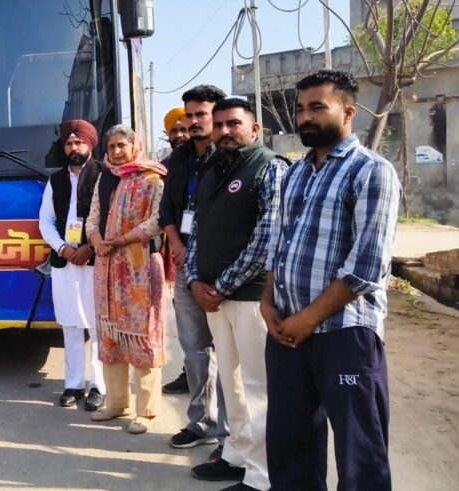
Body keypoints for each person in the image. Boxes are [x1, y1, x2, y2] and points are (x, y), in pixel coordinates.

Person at [263, 70, 399, 490]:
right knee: (290, 448)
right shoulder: (296, 174)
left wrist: (308, 318)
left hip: (344, 334)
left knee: (360, 456)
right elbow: (278, 242)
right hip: (287, 333)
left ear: (348, 112)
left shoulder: (371, 171)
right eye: (301, 109)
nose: (305, 117)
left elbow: (366, 266)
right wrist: (267, 303)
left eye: (317, 107)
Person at [185, 98, 288, 490]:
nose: (225, 131)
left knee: (258, 388)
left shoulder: (269, 168)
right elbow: (195, 232)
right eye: (219, 125)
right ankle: (237, 456)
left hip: (250, 299)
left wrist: (221, 285)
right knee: (232, 385)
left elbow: (267, 238)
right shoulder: (212, 170)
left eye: (234, 124)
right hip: (214, 298)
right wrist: (194, 280)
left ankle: (263, 477)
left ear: (255, 129)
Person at [159, 85, 229, 458]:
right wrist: (175, 243)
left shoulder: (230, 157)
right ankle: (202, 422)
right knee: (194, 351)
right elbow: (167, 210)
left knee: (228, 355)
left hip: (220, 270)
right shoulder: (179, 158)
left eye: (201, 114)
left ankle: (231, 439)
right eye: (189, 115)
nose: (193, 122)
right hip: (185, 264)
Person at [85, 124, 168, 434]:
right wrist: (95, 240)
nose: (117, 151)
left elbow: (158, 220)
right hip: (106, 268)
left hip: (140, 268)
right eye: (112, 147)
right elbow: (92, 216)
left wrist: (122, 240)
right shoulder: (105, 178)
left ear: (135, 146)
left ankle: (146, 411)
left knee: (143, 337)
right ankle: (116, 403)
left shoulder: (152, 178)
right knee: (110, 336)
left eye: (122, 145)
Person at [38, 119, 106, 411]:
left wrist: (89, 247)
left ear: (90, 144)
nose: (74, 147)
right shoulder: (56, 180)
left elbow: (110, 218)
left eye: (79, 142)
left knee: (98, 324)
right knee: (70, 323)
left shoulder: (105, 174)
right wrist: (63, 248)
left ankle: (99, 385)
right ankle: (74, 384)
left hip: (95, 260)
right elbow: (45, 220)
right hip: (65, 262)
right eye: (69, 143)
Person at [160, 104, 192, 395]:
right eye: (174, 130)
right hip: (175, 249)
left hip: (209, 251)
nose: (180, 135)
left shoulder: (210, 160)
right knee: (185, 319)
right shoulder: (164, 167)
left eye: (184, 129)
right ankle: (189, 373)